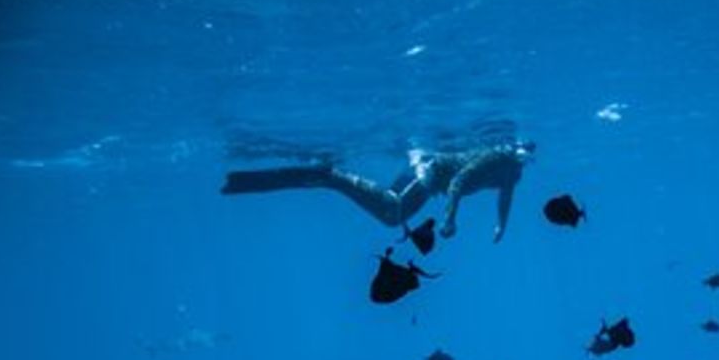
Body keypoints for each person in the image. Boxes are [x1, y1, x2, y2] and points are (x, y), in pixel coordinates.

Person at [221, 140, 535, 243]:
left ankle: (330, 177)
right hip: (428, 174)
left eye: (527, 155)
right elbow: (458, 183)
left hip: (432, 185)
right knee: (393, 211)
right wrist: (450, 219)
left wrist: (501, 224)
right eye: (520, 151)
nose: (522, 157)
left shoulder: (514, 172)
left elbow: (506, 195)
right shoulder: (495, 157)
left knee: (392, 215)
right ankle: (332, 176)